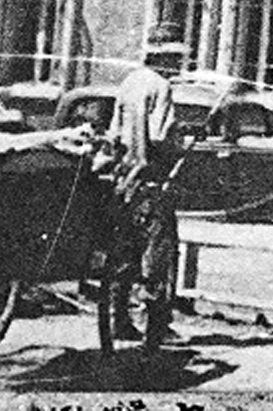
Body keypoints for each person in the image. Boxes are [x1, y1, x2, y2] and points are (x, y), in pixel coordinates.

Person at [101, 21, 187, 351]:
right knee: (158, 257)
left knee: (124, 254)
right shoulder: (161, 87)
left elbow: (115, 134)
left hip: (125, 181)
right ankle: (156, 329)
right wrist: (180, 142)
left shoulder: (130, 82)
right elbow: (161, 136)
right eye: (175, 58)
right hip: (152, 184)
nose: (178, 64)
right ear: (163, 57)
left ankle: (119, 320)